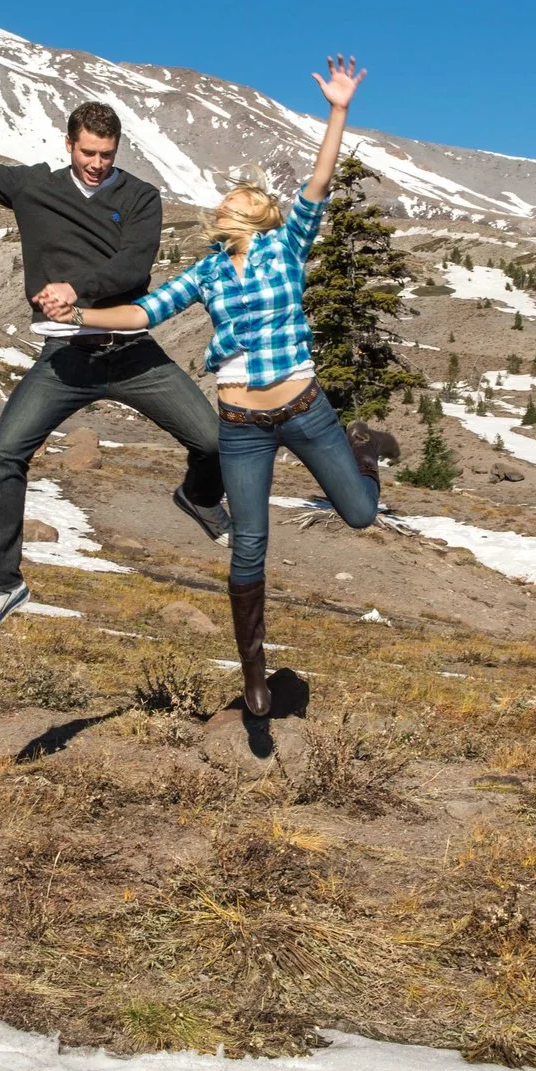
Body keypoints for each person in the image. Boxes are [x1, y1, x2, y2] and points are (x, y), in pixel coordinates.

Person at [0, 55, 230, 643]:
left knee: (212, 442)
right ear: (69, 145)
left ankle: (197, 495)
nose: (97, 164)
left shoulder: (141, 197)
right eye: (88, 152)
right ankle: (0, 585)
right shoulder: (34, 187)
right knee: (3, 455)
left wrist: (76, 289)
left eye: (107, 154)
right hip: (65, 360)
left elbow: (133, 266)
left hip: (130, 351)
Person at [73, 55, 379, 716]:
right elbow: (144, 313)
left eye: (235, 200)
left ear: (257, 215)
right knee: (248, 544)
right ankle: (253, 673)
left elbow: (320, 181)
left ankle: (363, 453)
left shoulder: (286, 247)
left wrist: (338, 110)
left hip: (304, 408)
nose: (222, 204)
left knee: (359, 513)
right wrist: (79, 315)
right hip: (242, 427)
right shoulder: (207, 272)